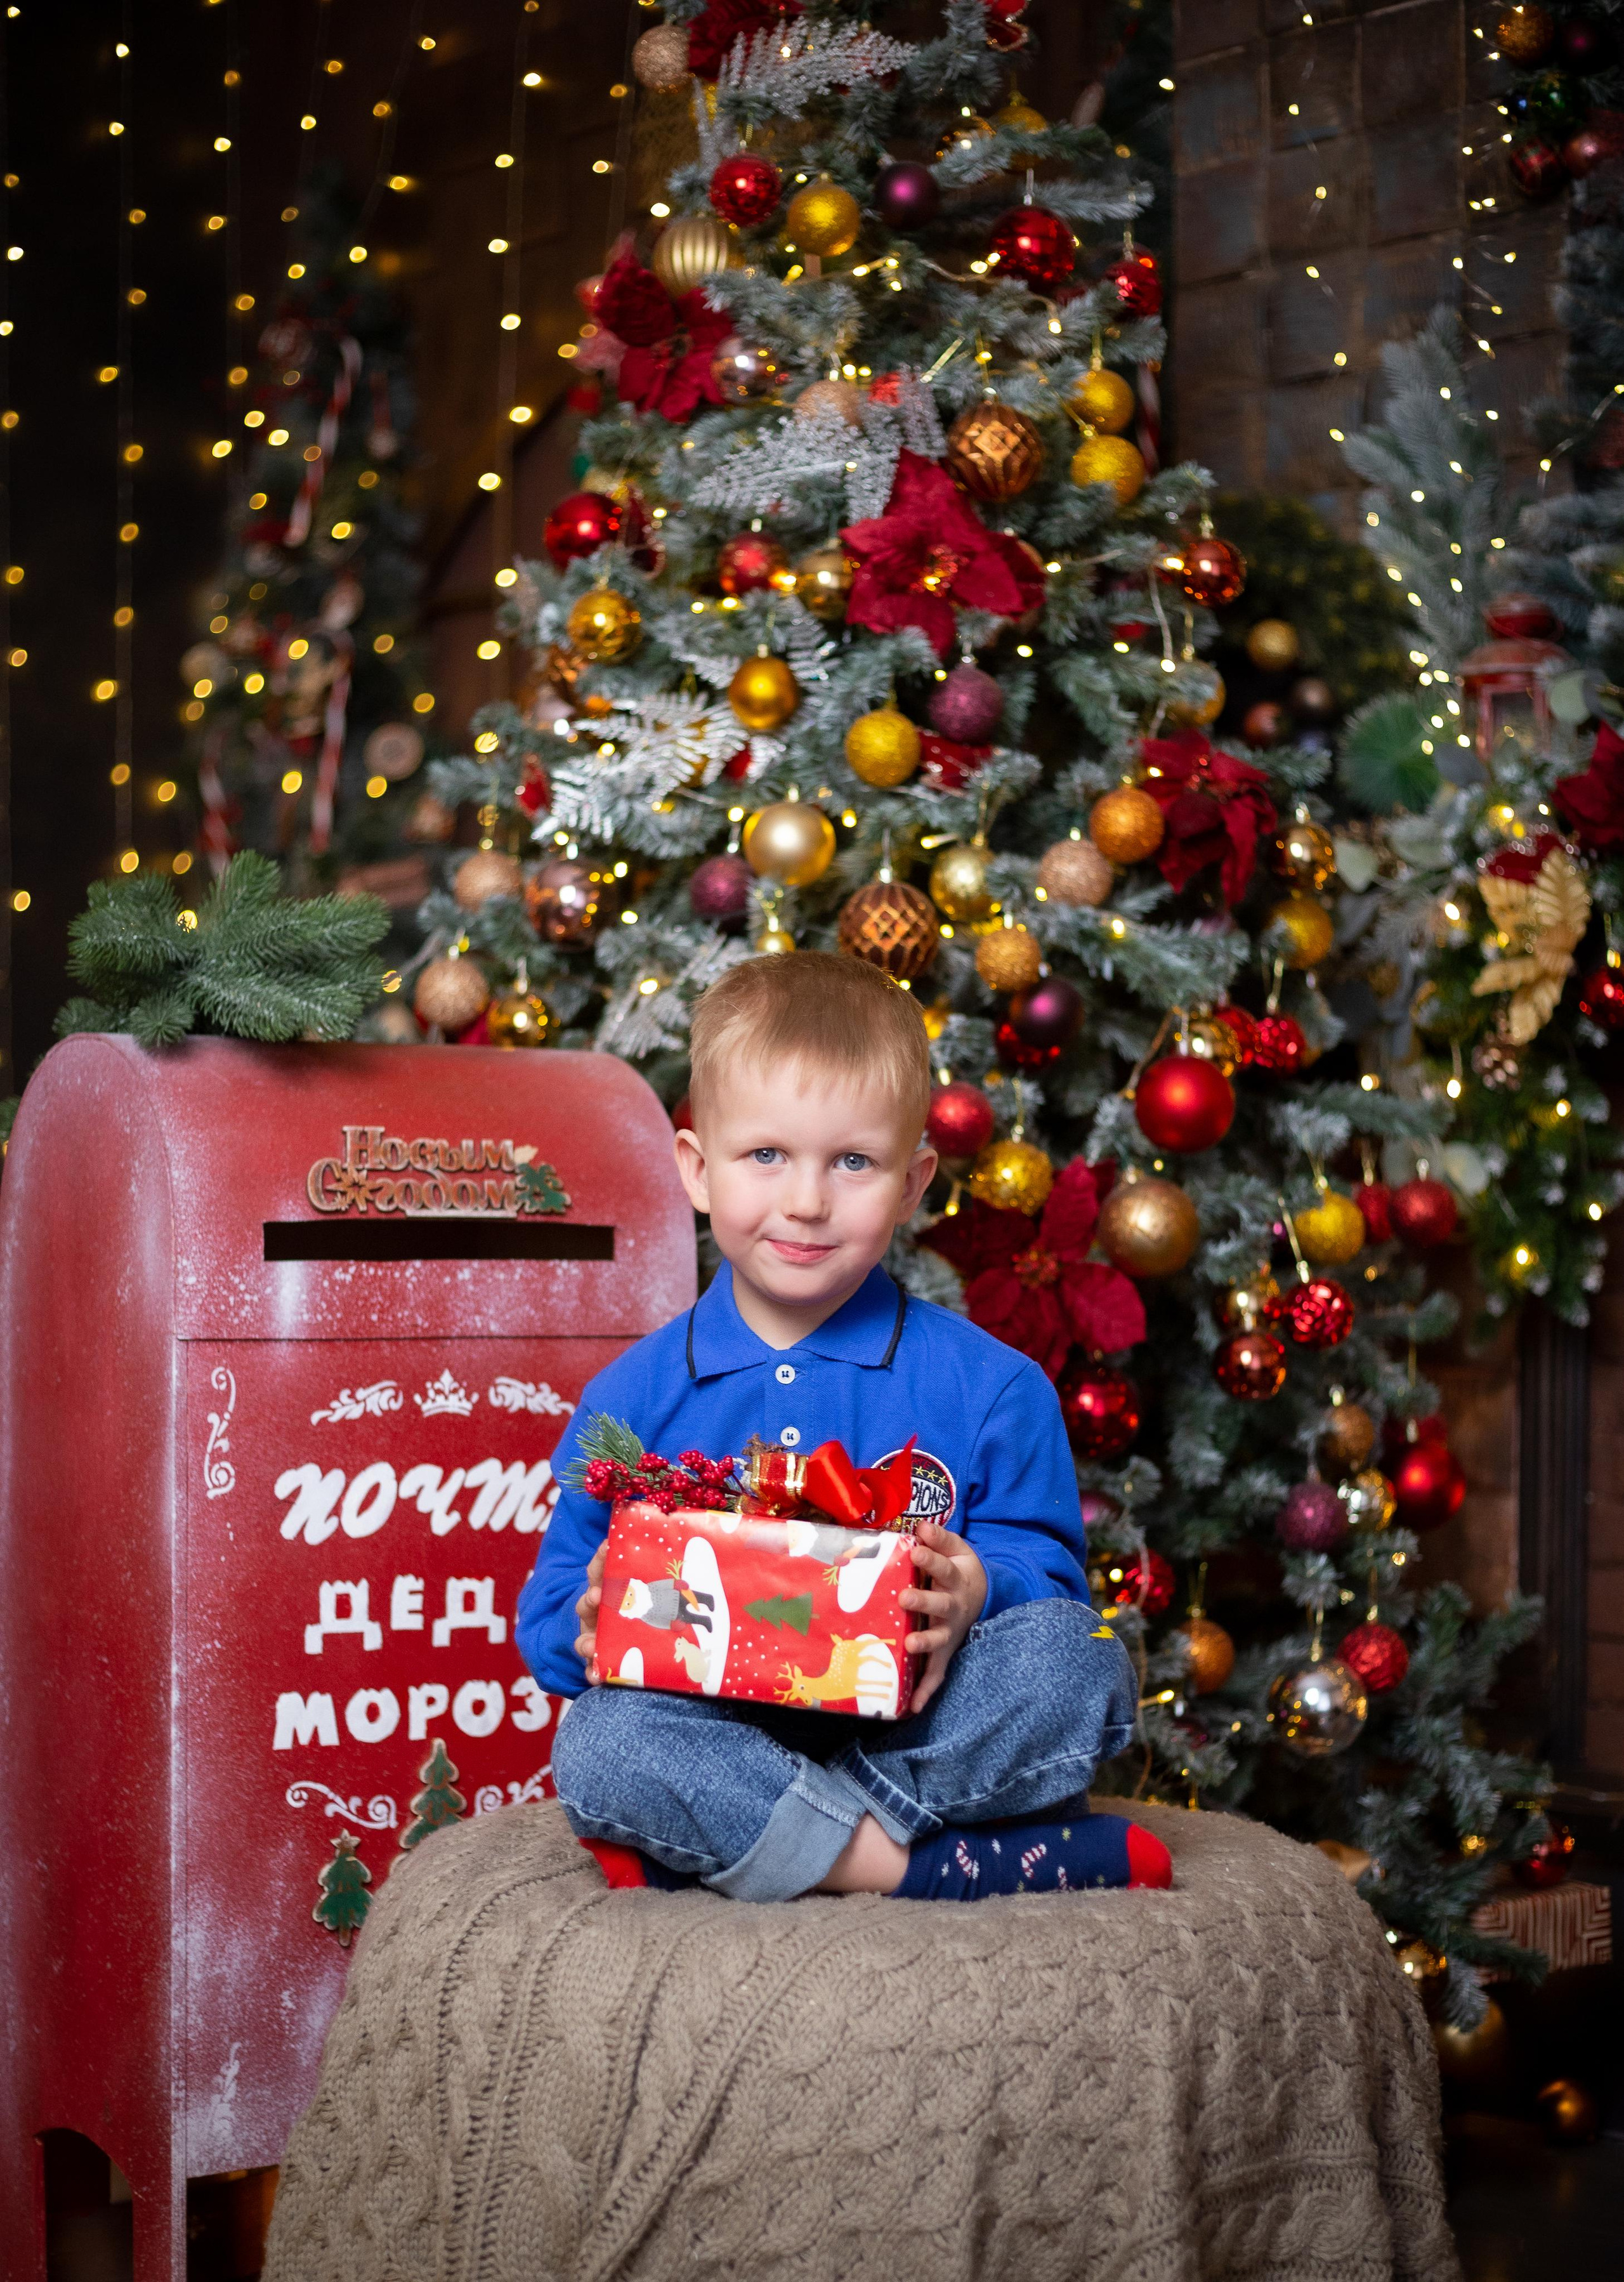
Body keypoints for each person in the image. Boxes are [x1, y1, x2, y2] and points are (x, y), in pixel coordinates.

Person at [516, 950, 1166, 1903]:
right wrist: (592, 1616)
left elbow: (1050, 1572)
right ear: (698, 1170)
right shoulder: (633, 1396)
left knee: (1077, 1659)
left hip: (916, 1724)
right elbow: (547, 1615)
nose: (808, 1201)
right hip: (718, 1726)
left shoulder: (993, 1385)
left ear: (912, 1185)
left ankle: (772, 1844)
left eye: (853, 1161)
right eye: (766, 1155)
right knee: (603, 1742)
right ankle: (916, 1867)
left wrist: (977, 1584)